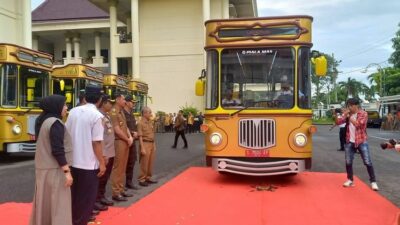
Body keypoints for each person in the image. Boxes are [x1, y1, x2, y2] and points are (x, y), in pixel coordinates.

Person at [30, 95, 73, 225]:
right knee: (59, 205)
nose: (66, 108)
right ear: (57, 106)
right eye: (64, 105)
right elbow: (57, 150)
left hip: (45, 170)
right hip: (55, 170)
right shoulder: (55, 123)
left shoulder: (43, 120)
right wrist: (67, 172)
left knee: (45, 204)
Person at [66, 86, 106, 225]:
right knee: (86, 200)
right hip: (89, 164)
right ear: (100, 100)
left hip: (72, 162)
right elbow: (96, 143)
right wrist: (102, 163)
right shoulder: (97, 116)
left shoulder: (73, 112)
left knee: (74, 197)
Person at [336, 98, 379, 191]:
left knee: (367, 161)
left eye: (350, 106)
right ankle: (350, 179)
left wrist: (349, 117)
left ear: (356, 105)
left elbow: (358, 124)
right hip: (349, 141)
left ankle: (373, 181)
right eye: (348, 106)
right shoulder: (348, 114)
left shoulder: (363, 114)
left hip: (361, 141)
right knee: (348, 161)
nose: (349, 108)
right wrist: (341, 115)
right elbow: (338, 122)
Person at [110, 94, 134, 201]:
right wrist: (127, 138)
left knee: (123, 167)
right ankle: (116, 192)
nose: (125, 101)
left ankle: (121, 189)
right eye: (124, 99)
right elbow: (117, 130)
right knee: (118, 167)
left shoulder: (121, 111)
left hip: (125, 141)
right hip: (119, 141)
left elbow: (125, 127)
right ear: (118, 99)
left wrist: (130, 137)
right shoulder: (114, 111)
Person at [94, 95, 115, 210]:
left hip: (110, 151)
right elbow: (99, 138)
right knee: (100, 178)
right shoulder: (99, 116)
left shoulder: (107, 115)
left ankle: (101, 196)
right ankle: (96, 199)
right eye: (109, 103)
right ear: (104, 103)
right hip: (104, 152)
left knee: (105, 178)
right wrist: (103, 154)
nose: (111, 105)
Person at [137, 107, 158, 186]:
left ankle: (148, 177)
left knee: (150, 162)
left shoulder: (150, 122)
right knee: (144, 162)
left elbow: (152, 134)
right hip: (145, 143)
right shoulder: (140, 123)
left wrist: (154, 144)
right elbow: (140, 136)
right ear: (145, 113)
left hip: (151, 143)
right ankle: (142, 179)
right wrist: (142, 147)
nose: (151, 114)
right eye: (149, 112)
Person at [123, 95, 139, 190]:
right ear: (127, 102)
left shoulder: (131, 113)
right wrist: (132, 133)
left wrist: (135, 132)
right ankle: (121, 184)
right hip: (125, 140)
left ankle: (129, 182)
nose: (134, 104)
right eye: (133, 102)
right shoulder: (123, 113)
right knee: (123, 163)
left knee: (131, 161)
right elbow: (123, 127)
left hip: (133, 140)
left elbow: (134, 124)